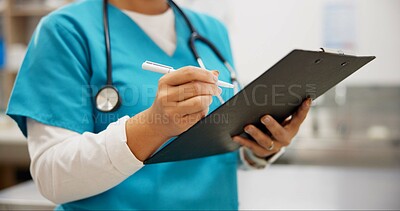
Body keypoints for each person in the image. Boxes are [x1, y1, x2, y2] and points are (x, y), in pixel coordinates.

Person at [6, 0, 311, 210]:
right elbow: (52, 177)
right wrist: (153, 126)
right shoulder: (65, 31)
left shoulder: (210, 31)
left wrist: (260, 149)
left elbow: (224, 146)